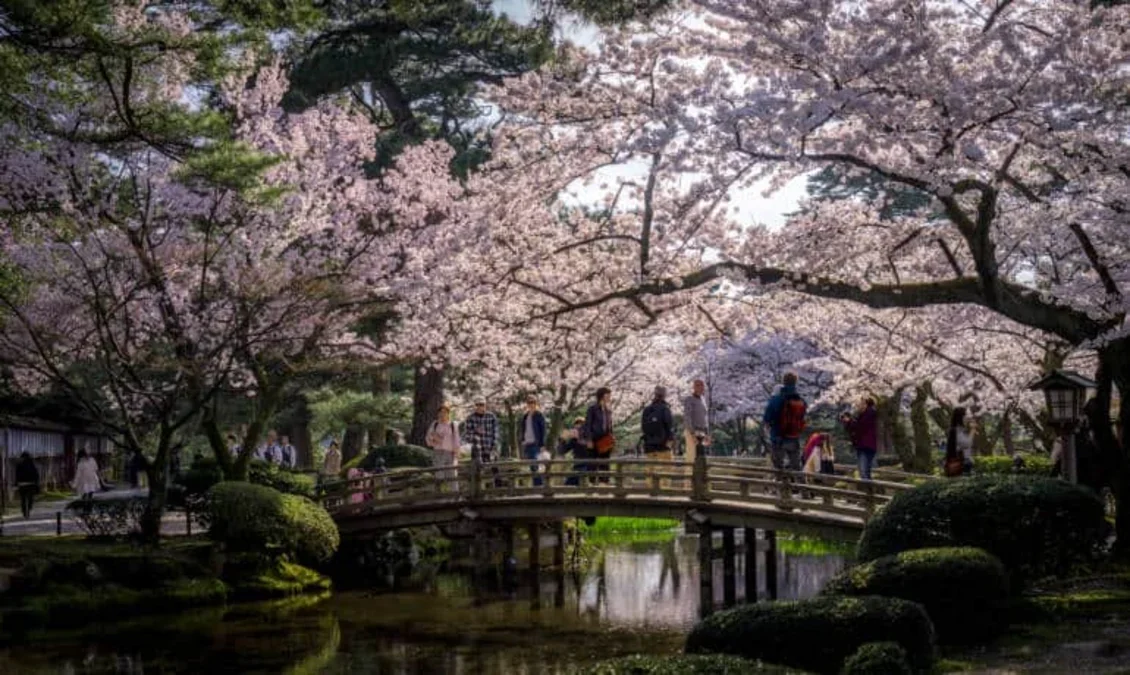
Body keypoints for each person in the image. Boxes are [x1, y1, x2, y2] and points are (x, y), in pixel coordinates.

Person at [762, 372, 807, 471]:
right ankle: (799, 485)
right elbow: (802, 418)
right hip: (794, 438)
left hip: (778, 438)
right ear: (796, 382)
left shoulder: (776, 399)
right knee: (796, 468)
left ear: (783, 381)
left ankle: (782, 485)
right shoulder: (801, 401)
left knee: (779, 469)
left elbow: (767, 418)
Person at [582, 387, 615, 482]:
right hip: (594, 439)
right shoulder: (592, 408)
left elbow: (610, 425)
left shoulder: (608, 410)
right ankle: (592, 484)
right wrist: (589, 439)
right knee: (592, 463)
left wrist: (612, 438)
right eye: (607, 394)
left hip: (606, 439)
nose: (609, 397)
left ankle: (604, 483)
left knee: (605, 463)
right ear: (601, 395)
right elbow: (587, 425)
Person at [841, 398, 879, 480]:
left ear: (865, 404)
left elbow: (859, 428)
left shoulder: (869, 414)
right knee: (865, 472)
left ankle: (867, 490)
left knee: (863, 472)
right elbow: (855, 429)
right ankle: (869, 490)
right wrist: (849, 422)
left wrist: (849, 421)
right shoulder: (865, 414)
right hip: (865, 445)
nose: (857, 407)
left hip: (865, 445)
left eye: (859, 404)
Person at [426, 404, 462, 486]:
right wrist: (434, 440)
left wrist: (457, 452)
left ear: (448, 414)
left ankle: (454, 496)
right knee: (439, 475)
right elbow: (428, 438)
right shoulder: (435, 424)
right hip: (438, 452)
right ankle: (441, 496)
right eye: (440, 412)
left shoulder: (453, 425)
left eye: (445, 412)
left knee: (452, 476)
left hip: (450, 453)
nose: (442, 414)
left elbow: (456, 440)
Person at [519, 396, 548, 486]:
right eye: (529, 403)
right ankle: (537, 484)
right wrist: (522, 439)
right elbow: (523, 429)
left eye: (533, 402)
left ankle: (538, 485)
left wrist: (542, 444)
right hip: (527, 442)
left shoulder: (539, 415)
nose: (531, 404)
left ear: (536, 403)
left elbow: (543, 430)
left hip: (536, 443)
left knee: (535, 464)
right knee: (532, 464)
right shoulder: (525, 416)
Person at [642, 386, 676, 460]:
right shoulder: (665, 409)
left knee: (651, 469)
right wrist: (671, 439)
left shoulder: (647, 409)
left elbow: (643, 428)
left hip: (649, 446)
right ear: (664, 395)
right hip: (663, 445)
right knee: (666, 470)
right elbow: (669, 426)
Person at [682, 380, 709, 462]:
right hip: (692, 431)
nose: (701, 387)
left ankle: (700, 474)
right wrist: (692, 433)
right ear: (694, 387)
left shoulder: (703, 400)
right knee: (692, 457)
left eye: (702, 385)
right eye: (698, 385)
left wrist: (707, 433)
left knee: (701, 456)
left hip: (702, 431)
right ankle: (689, 474)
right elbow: (687, 417)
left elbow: (705, 417)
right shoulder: (689, 399)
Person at [558, 417, 588, 486]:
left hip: (588, 465)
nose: (578, 429)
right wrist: (562, 440)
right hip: (577, 466)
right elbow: (561, 451)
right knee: (567, 485)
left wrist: (579, 439)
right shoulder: (573, 440)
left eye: (580, 427)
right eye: (576, 427)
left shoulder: (589, 437)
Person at [944, 407, 974, 477]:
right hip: (960, 464)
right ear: (961, 417)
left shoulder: (960, 430)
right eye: (966, 415)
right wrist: (973, 430)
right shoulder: (957, 430)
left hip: (962, 462)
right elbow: (967, 444)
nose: (968, 417)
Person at [15, 452, 40, 519]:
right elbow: (36, 474)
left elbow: (17, 475)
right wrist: (36, 482)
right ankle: (29, 508)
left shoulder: (19, 465)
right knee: (30, 498)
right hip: (30, 484)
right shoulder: (32, 464)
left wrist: (16, 483)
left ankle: (24, 511)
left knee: (23, 499)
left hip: (22, 485)